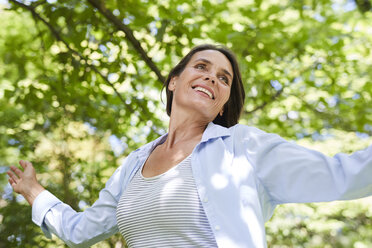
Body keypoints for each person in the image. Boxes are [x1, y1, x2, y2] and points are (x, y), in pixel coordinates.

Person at [7, 44, 372, 248]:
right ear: (174, 82)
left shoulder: (243, 147)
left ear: (224, 102)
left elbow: (343, 175)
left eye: (224, 77)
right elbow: (80, 231)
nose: (212, 76)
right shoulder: (134, 165)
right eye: (201, 66)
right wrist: (35, 191)